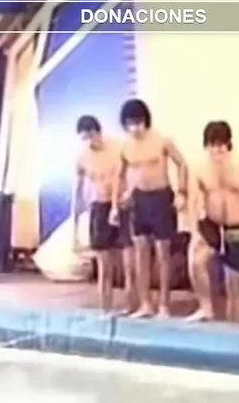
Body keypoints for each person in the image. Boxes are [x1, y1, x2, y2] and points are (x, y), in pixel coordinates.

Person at [110, 99, 190, 318]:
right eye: (130, 124)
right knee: (141, 252)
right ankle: (145, 303)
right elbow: (118, 176)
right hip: (138, 200)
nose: (135, 128)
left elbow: (182, 164)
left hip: (161, 197)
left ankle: (164, 304)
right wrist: (116, 205)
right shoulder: (125, 147)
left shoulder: (162, 140)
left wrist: (182, 192)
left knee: (163, 253)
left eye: (138, 123)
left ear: (146, 121)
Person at [187, 120, 239, 322]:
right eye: (213, 145)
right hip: (212, 224)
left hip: (237, 226)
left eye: (221, 145)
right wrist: (194, 231)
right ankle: (205, 307)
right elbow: (193, 200)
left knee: (233, 284)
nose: (217, 150)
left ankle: (233, 324)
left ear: (228, 145)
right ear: (206, 146)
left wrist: (229, 180)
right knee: (196, 262)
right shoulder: (200, 169)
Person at [71, 115, 129, 312]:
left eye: (91, 137)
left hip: (121, 204)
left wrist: (124, 199)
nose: (89, 142)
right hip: (99, 207)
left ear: (98, 132)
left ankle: (132, 305)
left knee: (127, 261)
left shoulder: (118, 147)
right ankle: (105, 308)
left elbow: (129, 175)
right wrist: (74, 225)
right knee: (103, 263)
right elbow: (77, 190)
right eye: (85, 139)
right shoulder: (82, 156)